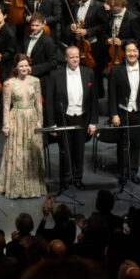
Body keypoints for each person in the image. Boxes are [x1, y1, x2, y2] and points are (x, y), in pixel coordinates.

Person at [0, 55, 46, 199]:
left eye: (26, 65)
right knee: (17, 151)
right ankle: (17, 187)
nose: (24, 68)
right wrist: (6, 125)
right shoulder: (9, 83)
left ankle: (33, 187)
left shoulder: (35, 81)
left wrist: (40, 121)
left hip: (32, 118)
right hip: (16, 119)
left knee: (31, 151)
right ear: (16, 68)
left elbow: (38, 103)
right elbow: (6, 106)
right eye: (21, 66)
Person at [47, 45, 98, 190]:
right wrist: (51, 124)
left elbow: (94, 99)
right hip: (63, 117)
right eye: (72, 57)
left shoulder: (89, 73)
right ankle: (64, 179)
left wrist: (93, 122)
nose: (75, 59)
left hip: (82, 117)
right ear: (66, 58)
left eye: (77, 57)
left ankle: (77, 178)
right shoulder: (55, 75)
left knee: (79, 150)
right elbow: (49, 101)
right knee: (64, 150)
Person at [107, 41, 140, 185]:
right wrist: (114, 114)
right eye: (128, 51)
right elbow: (112, 94)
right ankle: (123, 172)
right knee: (122, 143)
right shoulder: (116, 70)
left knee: (136, 143)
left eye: (134, 51)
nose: (132, 54)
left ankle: (133, 172)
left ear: (138, 52)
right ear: (124, 53)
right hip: (123, 112)